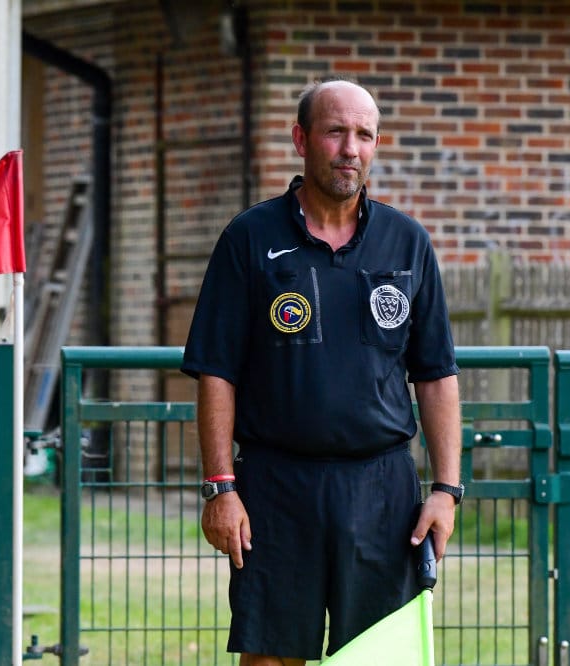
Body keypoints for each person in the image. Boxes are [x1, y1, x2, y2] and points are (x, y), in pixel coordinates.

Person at [181, 77, 462, 666]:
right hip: (276, 488)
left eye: (364, 135)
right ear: (301, 139)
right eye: (335, 132)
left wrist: (445, 490)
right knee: (270, 657)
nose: (350, 149)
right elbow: (217, 372)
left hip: (382, 491)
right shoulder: (249, 238)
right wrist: (220, 488)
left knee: (377, 658)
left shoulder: (407, 243)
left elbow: (436, 375)